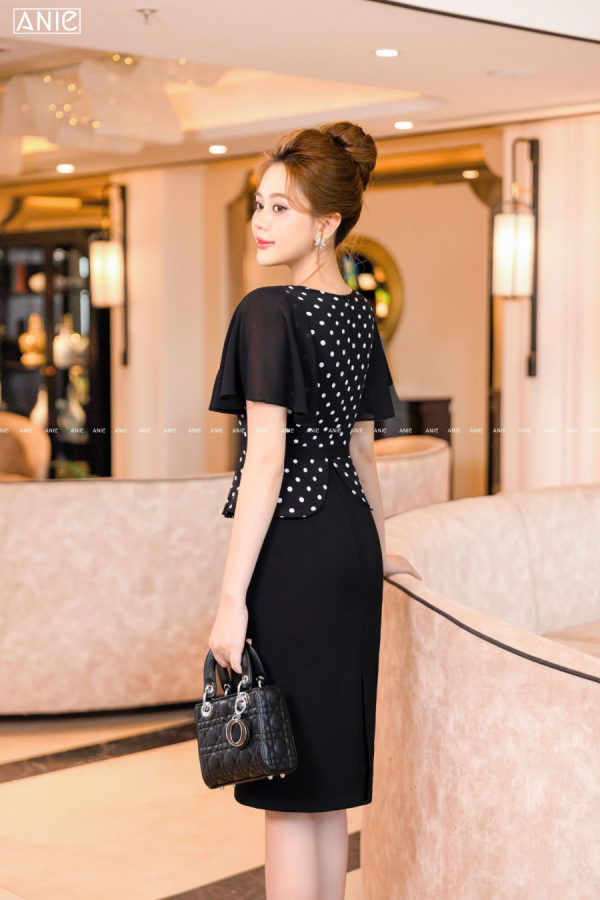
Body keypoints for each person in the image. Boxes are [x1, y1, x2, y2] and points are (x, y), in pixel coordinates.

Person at [207, 120, 422, 900]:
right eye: (259, 205)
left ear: (327, 223)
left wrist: (231, 600)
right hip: (349, 548)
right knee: (325, 784)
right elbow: (362, 451)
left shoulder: (268, 309)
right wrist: (379, 549)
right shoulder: (359, 316)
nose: (262, 223)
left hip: (294, 553)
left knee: (288, 785)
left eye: (281, 209)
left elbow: (266, 459)